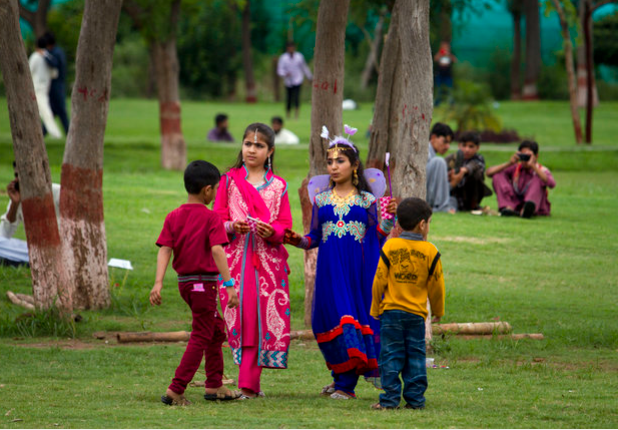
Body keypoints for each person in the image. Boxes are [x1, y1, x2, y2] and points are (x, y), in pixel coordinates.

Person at [284, 125, 397, 400]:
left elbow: (378, 235)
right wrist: (296, 240)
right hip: (328, 273)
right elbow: (314, 238)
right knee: (327, 321)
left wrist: (389, 218)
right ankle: (338, 377)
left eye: (340, 161)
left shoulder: (367, 200)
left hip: (357, 273)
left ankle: (347, 385)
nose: (333, 166)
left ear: (354, 165)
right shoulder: (320, 200)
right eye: (330, 162)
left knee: (349, 320)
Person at [150, 160, 241, 406]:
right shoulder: (211, 218)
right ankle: (176, 389)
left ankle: (214, 384)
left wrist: (158, 283)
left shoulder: (174, 216)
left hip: (186, 284)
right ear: (208, 190)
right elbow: (217, 251)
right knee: (202, 333)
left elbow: (165, 249)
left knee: (215, 329)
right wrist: (230, 284)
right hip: (204, 284)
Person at [213, 123, 293, 399]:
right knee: (241, 318)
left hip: (268, 263)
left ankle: (248, 384)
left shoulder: (279, 186)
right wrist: (233, 226)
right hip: (234, 261)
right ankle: (247, 384)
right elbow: (216, 221)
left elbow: (285, 224)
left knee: (260, 321)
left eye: (259, 146)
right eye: (248, 144)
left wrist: (272, 231)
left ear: (270, 151)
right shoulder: (229, 181)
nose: (252, 150)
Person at [370, 197, 445, 410]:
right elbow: (437, 285)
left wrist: (376, 307)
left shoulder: (391, 246)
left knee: (390, 355)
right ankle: (415, 401)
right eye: (429, 223)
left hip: (391, 314)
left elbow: (379, 279)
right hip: (416, 316)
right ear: (422, 224)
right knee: (415, 356)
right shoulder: (431, 251)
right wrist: (438, 310)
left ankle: (390, 400)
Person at [0, 162, 60, 266]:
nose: (18, 179)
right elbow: (4, 235)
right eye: (16, 175)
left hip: (60, 251)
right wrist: (14, 204)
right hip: (34, 250)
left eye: (24, 175)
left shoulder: (59, 193)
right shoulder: (19, 196)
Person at [486, 140, 556, 218]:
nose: (525, 160)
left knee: (538, 178)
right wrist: (510, 163)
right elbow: (489, 173)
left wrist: (533, 166)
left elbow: (552, 184)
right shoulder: (516, 167)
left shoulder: (541, 170)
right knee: (498, 175)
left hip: (534, 204)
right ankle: (508, 207)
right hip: (515, 202)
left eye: (528, 157)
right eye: (523, 156)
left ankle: (526, 210)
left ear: (536, 157)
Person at [445, 131, 493, 211]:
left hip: (469, 195)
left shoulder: (479, 159)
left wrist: (464, 170)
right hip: (454, 194)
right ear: (459, 145)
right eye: (464, 146)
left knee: (476, 173)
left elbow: (474, 166)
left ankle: (473, 205)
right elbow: (442, 167)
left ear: (477, 148)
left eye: (471, 147)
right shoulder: (452, 158)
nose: (467, 149)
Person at [29, 36, 62, 139]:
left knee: (44, 111)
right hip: (44, 87)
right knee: (41, 111)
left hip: (35, 88)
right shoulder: (49, 56)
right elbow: (54, 74)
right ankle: (38, 133)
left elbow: (29, 70)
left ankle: (55, 134)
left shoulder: (35, 56)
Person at [42, 32, 69, 135]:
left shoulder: (55, 53)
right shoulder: (57, 51)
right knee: (53, 110)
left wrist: (44, 55)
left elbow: (54, 64)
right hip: (55, 85)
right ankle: (42, 132)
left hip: (57, 85)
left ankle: (68, 133)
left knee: (59, 110)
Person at [277, 42, 312, 119]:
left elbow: (304, 67)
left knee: (296, 97)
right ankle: (288, 114)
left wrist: (309, 77)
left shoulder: (299, 56)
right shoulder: (283, 58)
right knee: (289, 98)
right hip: (288, 81)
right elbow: (279, 70)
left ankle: (296, 115)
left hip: (298, 79)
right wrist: (285, 74)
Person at [426, 123, 455, 213]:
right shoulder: (425, 151)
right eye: (445, 141)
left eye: (449, 143)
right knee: (439, 162)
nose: (447, 146)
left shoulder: (432, 155)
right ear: (433, 137)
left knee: (454, 201)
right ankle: (443, 208)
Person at [433, 41, 457, 106]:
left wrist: (448, 54)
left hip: (448, 74)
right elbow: (435, 59)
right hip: (440, 74)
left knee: (449, 89)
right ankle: (437, 103)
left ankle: (451, 103)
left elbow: (455, 60)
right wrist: (441, 53)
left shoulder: (449, 54)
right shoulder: (440, 54)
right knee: (439, 89)